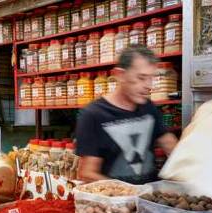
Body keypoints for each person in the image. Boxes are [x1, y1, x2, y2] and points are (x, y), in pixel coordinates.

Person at [75, 45, 178, 185]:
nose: (149, 86)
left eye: (151, 78)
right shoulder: (93, 115)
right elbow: (87, 173)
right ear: (120, 75)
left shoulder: (149, 108)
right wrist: (129, 192)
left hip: (149, 199)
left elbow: (171, 146)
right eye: (141, 78)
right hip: (115, 204)